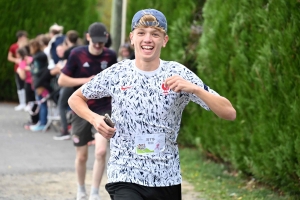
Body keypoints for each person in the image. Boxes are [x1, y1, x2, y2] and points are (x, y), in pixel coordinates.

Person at [68, 8, 236, 200]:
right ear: (132, 38)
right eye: (141, 33)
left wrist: (195, 89)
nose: (147, 39)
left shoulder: (178, 73)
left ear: (164, 40)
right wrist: (95, 119)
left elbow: (229, 112)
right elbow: (75, 98)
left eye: (155, 34)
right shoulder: (117, 73)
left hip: (166, 178)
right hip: (125, 174)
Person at [58, 22, 117, 200]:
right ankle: (81, 190)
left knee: (100, 151)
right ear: (88, 37)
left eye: (102, 42)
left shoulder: (110, 55)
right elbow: (62, 80)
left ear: (106, 39)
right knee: (82, 156)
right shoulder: (77, 54)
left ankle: (94, 192)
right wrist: (86, 81)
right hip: (81, 108)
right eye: (95, 42)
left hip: (104, 108)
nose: (99, 46)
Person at [53, 30, 80, 140]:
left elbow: (66, 69)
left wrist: (59, 69)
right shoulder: (81, 49)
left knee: (61, 105)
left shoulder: (68, 52)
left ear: (67, 40)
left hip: (70, 81)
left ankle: (65, 129)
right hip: (81, 81)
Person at [7, 30, 28, 111]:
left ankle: (27, 103)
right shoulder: (13, 46)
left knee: (27, 86)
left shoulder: (27, 46)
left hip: (26, 68)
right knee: (20, 85)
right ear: (20, 37)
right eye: (24, 37)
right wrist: (16, 60)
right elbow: (9, 57)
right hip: (18, 68)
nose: (25, 38)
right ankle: (22, 103)